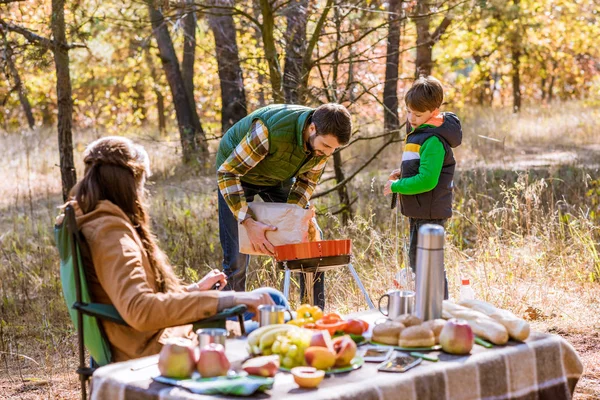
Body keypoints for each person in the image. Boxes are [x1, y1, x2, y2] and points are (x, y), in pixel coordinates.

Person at [60, 136, 285, 362]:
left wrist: (195, 289)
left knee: (271, 298)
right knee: (280, 317)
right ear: (130, 181)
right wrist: (230, 299)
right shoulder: (111, 234)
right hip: (161, 347)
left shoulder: (95, 221)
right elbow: (141, 309)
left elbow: (133, 298)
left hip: (154, 335)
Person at [217, 103, 352, 308]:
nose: (328, 153)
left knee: (308, 239)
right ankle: (234, 319)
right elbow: (227, 173)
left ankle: (312, 313)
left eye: (334, 149)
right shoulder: (268, 132)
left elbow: (306, 183)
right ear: (312, 128)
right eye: (326, 146)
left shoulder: (322, 147)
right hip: (237, 175)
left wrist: (292, 220)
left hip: (277, 176)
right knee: (236, 259)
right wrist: (248, 222)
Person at [383, 76, 462, 299]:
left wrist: (398, 186)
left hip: (430, 212)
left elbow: (428, 180)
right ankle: (427, 306)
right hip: (419, 210)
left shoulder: (433, 140)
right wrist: (402, 173)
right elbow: (420, 167)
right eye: (408, 112)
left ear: (434, 111)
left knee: (429, 264)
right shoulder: (421, 134)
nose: (411, 118)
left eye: (417, 115)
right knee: (418, 262)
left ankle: (440, 308)